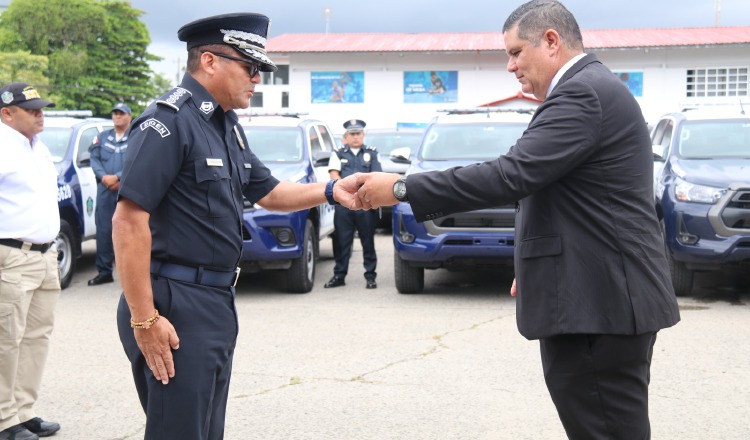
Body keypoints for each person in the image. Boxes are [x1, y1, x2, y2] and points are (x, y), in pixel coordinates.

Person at [353, 1, 681, 438]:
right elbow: (565, 196)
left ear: (551, 41)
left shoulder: (583, 93)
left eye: (515, 52)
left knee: (604, 428)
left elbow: (512, 174)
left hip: (600, 306)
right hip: (594, 295)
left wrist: (400, 188)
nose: (510, 67)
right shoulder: (590, 89)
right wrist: (535, 267)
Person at [111, 13, 360, 440]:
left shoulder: (225, 125)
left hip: (214, 300)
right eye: (250, 68)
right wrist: (144, 319)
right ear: (209, 61)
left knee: (207, 430)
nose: (258, 79)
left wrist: (335, 190)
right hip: (173, 304)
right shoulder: (168, 121)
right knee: (178, 431)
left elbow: (270, 193)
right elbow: (129, 220)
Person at [0, 82, 62, 440]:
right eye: (32, 109)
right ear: (7, 113)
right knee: (6, 339)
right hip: (12, 255)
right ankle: (3, 419)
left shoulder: (38, 147)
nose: (41, 114)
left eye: (42, 108)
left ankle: (23, 412)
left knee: (36, 338)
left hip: (44, 254)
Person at [325, 119, 382, 289]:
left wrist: (361, 194)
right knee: (343, 242)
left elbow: (376, 176)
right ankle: (339, 276)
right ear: (346, 136)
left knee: (368, 242)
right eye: (352, 134)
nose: (355, 137)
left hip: (365, 206)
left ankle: (370, 277)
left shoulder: (372, 153)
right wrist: (346, 193)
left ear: (363, 135)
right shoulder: (338, 153)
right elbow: (334, 176)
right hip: (344, 206)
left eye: (358, 133)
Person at [87, 102, 133, 286]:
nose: (117, 116)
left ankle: (132, 275)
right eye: (115, 113)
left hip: (128, 189)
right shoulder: (102, 137)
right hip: (105, 190)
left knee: (131, 231)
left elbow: (138, 160)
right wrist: (104, 177)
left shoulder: (137, 136)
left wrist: (119, 177)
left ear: (130, 116)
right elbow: (94, 159)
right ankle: (104, 272)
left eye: (121, 113)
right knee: (104, 231)